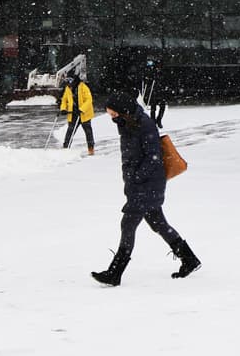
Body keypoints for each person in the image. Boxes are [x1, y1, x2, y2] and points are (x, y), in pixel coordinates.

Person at [91, 92, 200, 286]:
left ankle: (115, 273)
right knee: (158, 223)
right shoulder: (127, 123)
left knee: (128, 224)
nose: (111, 117)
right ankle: (189, 259)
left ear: (123, 110)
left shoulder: (144, 124)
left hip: (148, 184)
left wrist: (135, 177)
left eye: (113, 113)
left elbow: (153, 157)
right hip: (141, 185)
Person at [60, 71, 96, 155]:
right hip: (73, 113)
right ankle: (66, 147)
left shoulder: (83, 87)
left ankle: (91, 148)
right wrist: (63, 109)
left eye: (70, 81)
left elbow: (89, 100)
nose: (68, 83)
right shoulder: (68, 88)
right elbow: (64, 100)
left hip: (84, 114)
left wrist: (82, 109)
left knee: (88, 131)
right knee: (70, 131)